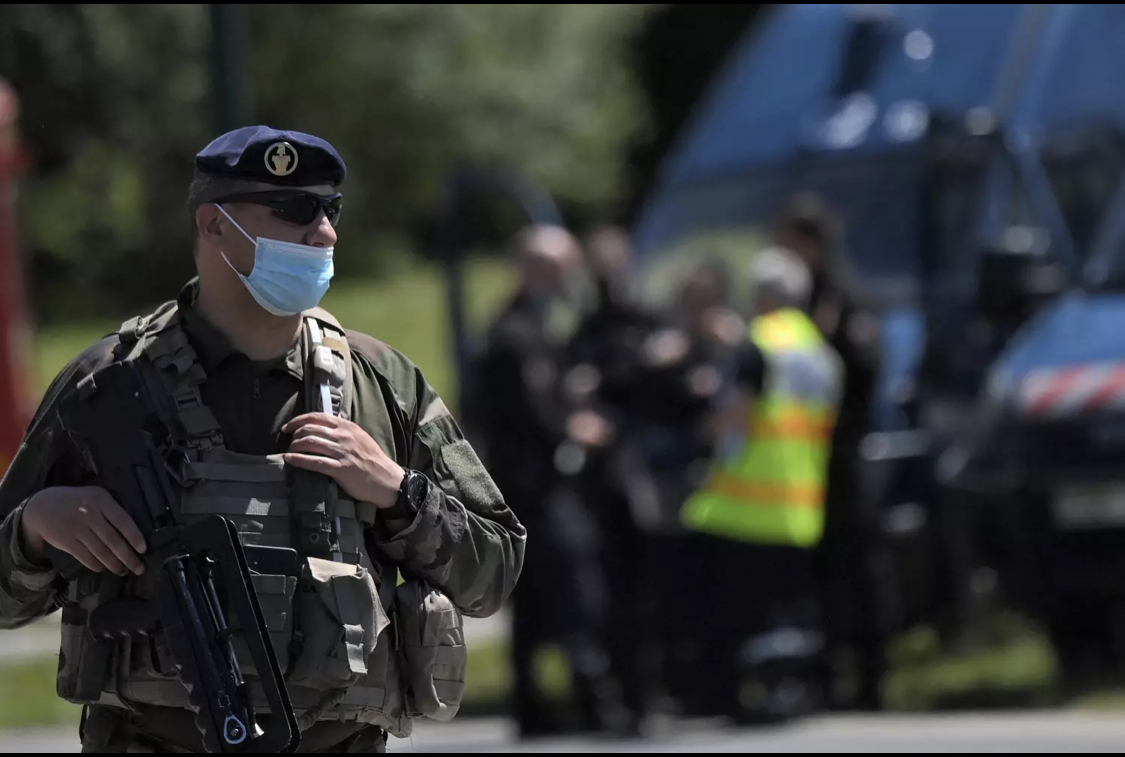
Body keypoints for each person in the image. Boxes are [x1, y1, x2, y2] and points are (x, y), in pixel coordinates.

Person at [0, 125, 526, 753]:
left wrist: (398, 494)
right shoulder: (109, 384)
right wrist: (35, 525)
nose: (324, 232)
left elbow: (493, 573)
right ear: (215, 227)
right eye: (294, 210)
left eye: (329, 210)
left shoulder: (381, 383)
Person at [680, 246, 844, 722]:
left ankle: (745, 700)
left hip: (745, 502)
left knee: (740, 615)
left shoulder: (758, 343)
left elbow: (733, 414)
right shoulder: (819, 353)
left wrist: (705, 440)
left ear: (761, 297)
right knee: (791, 613)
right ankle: (795, 693)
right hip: (800, 503)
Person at [473, 224, 619, 738]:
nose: (569, 278)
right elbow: (533, 412)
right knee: (574, 591)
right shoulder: (515, 333)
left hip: (533, 487)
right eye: (560, 267)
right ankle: (595, 703)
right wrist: (576, 423)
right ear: (535, 268)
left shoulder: (536, 326)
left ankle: (535, 708)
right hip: (535, 489)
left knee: (535, 601)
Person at [773, 192, 898, 710]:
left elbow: (865, 374)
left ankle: (871, 678)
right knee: (818, 573)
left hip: (843, 455)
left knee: (861, 568)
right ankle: (824, 676)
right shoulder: (795, 304)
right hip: (802, 459)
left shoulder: (844, 301)